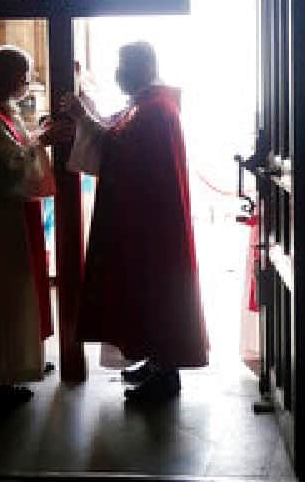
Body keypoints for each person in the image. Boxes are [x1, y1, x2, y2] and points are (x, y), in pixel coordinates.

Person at [64, 41, 209, 403]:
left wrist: (83, 118)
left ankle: (166, 371)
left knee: (155, 293)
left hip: (153, 228)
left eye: (123, 65)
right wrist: (89, 115)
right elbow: (115, 135)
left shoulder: (155, 110)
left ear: (143, 66)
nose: (119, 73)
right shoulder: (144, 105)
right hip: (146, 221)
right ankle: (155, 360)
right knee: (143, 294)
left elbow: (119, 151)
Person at [0, 46, 67, 406]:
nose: (26, 83)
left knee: (13, 298)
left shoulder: (1, 113)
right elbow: (11, 169)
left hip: (10, 223)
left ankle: (12, 368)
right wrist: (42, 144)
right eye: (23, 76)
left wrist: (38, 137)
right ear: (5, 74)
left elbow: (20, 149)